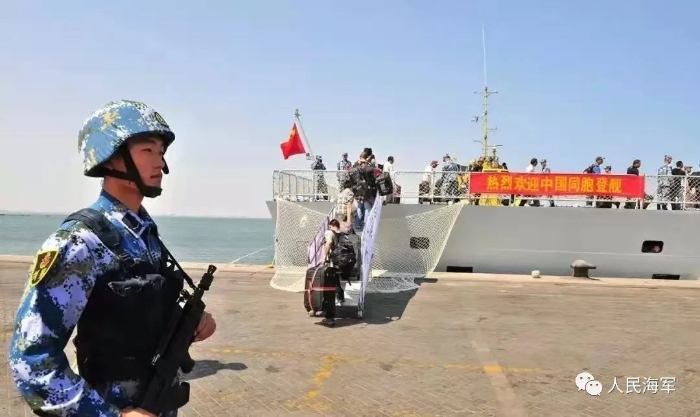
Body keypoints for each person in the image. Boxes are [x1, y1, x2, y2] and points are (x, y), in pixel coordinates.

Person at [8, 100, 217, 417]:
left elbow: (140, 312)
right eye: (148, 150)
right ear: (110, 156)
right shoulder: (79, 243)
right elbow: (32, 360)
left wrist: (193, 321)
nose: (160, 162)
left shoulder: (143, 234)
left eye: (161, 152)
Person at [321, 219, 356, 326]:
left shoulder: (329, 232)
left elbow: (328, 243)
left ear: (331, 226)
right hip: (347, 264)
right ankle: (340, 295)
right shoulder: (345, 235)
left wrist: (324, 258)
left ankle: (329, 317)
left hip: (337, 262)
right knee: (336, 278)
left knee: (330, 284)